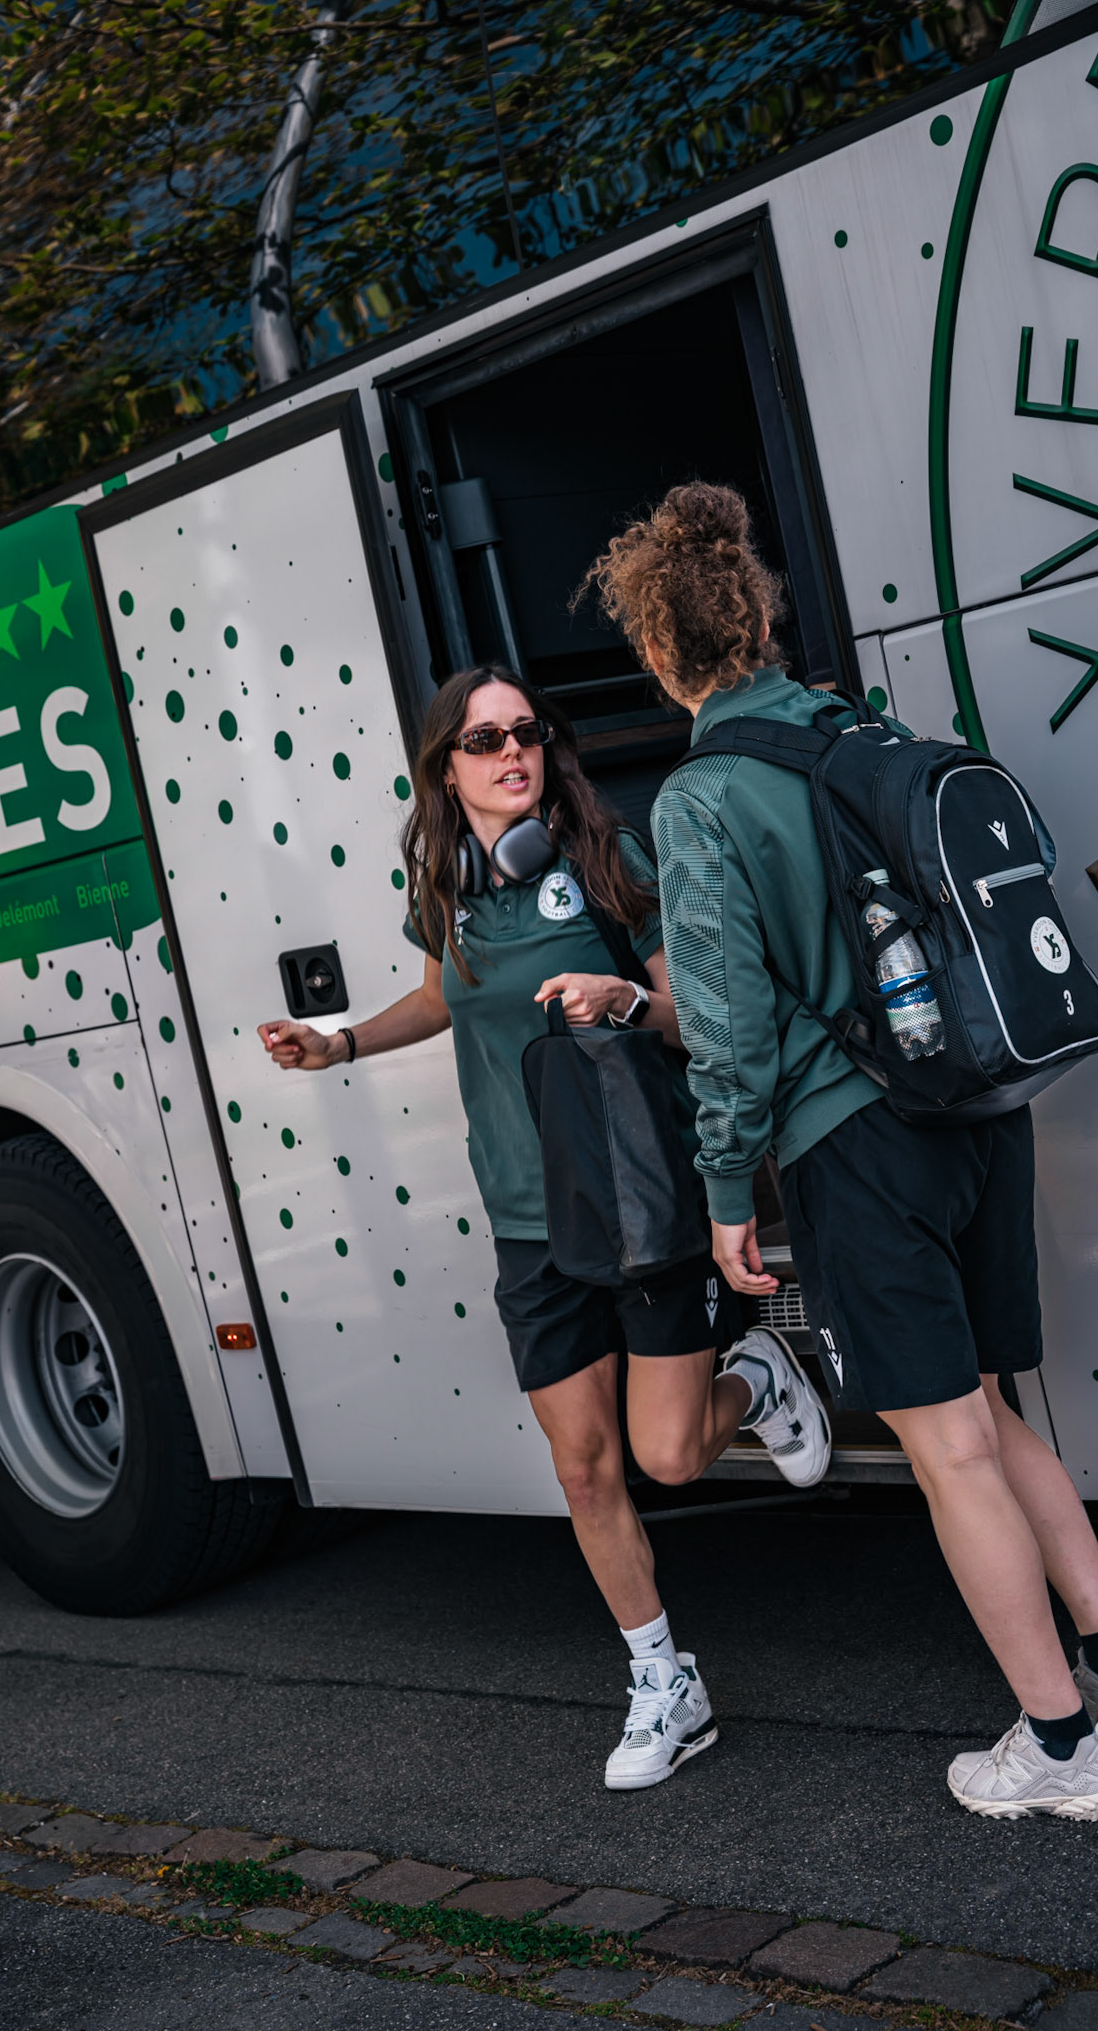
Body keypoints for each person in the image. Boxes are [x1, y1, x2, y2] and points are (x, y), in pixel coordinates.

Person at [581, 481, 1098, 1820]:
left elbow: (729, 1034)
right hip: (977, 1110)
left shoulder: (702, 798)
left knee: (943, 1445)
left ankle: (1063, 1747)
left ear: (661, 653)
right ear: (757, 617)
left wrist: (730, 1193)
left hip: (852, 1143)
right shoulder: (860, 729)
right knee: (991, 1408)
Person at [258, 664, 831, 1790]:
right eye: (484, 739)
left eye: (528, 729)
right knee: (584, 1468)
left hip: (638, 1201)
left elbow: (694, 1013)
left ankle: (755, 1380)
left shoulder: (614, 861)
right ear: (446, 768)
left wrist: (618, 997)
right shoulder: (444, 888)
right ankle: (667, 1681)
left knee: (667, 1453)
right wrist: (341, 1044)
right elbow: (444, 993)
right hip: (529, 1224)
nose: (512, 751)